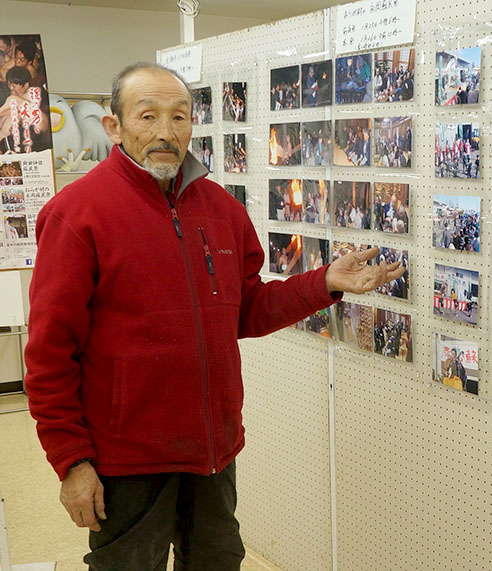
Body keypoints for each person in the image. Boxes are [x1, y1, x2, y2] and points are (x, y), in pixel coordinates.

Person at [23, 62, 404, 570]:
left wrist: (324, 282)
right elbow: (49, 354)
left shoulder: (222, 209)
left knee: (219, 561)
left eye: (179, 117)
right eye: (148, 116)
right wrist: (71, 461)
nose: (165, 131)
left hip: (212, 450)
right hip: (127, 459)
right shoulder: (77, 214)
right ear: (114, 126)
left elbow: (244, 310)